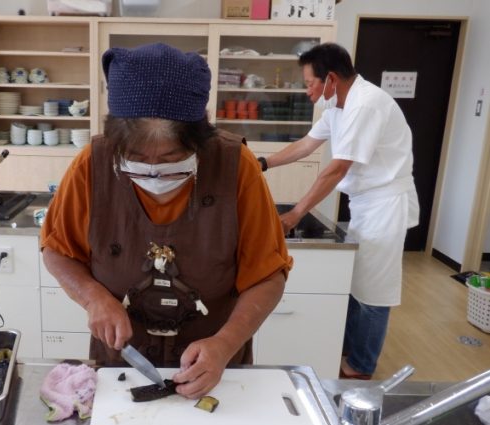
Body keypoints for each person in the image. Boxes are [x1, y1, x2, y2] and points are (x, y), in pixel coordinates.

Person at [40, 43, 292, 398]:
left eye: (172, 160)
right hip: (120, 363)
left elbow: (268, 276)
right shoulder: (92, 164)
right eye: (137, 159)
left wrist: (225, 343)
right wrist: (93, 298)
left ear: (200, 142)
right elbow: (57, 250)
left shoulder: (236, 166)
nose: (154, 172)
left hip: (214, 365)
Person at [262, 43, 420, 380]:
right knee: (357, 283)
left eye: (310, 83)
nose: (307, 91)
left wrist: (296, 213)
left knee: (374, 292)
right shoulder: (337, 106)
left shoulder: (365, 104)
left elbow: (336, 170)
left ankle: (361, 367)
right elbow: (306, 145)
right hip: (365, 203)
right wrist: (262, 163)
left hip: (385, 205)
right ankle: (347, 349)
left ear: (330, 79)